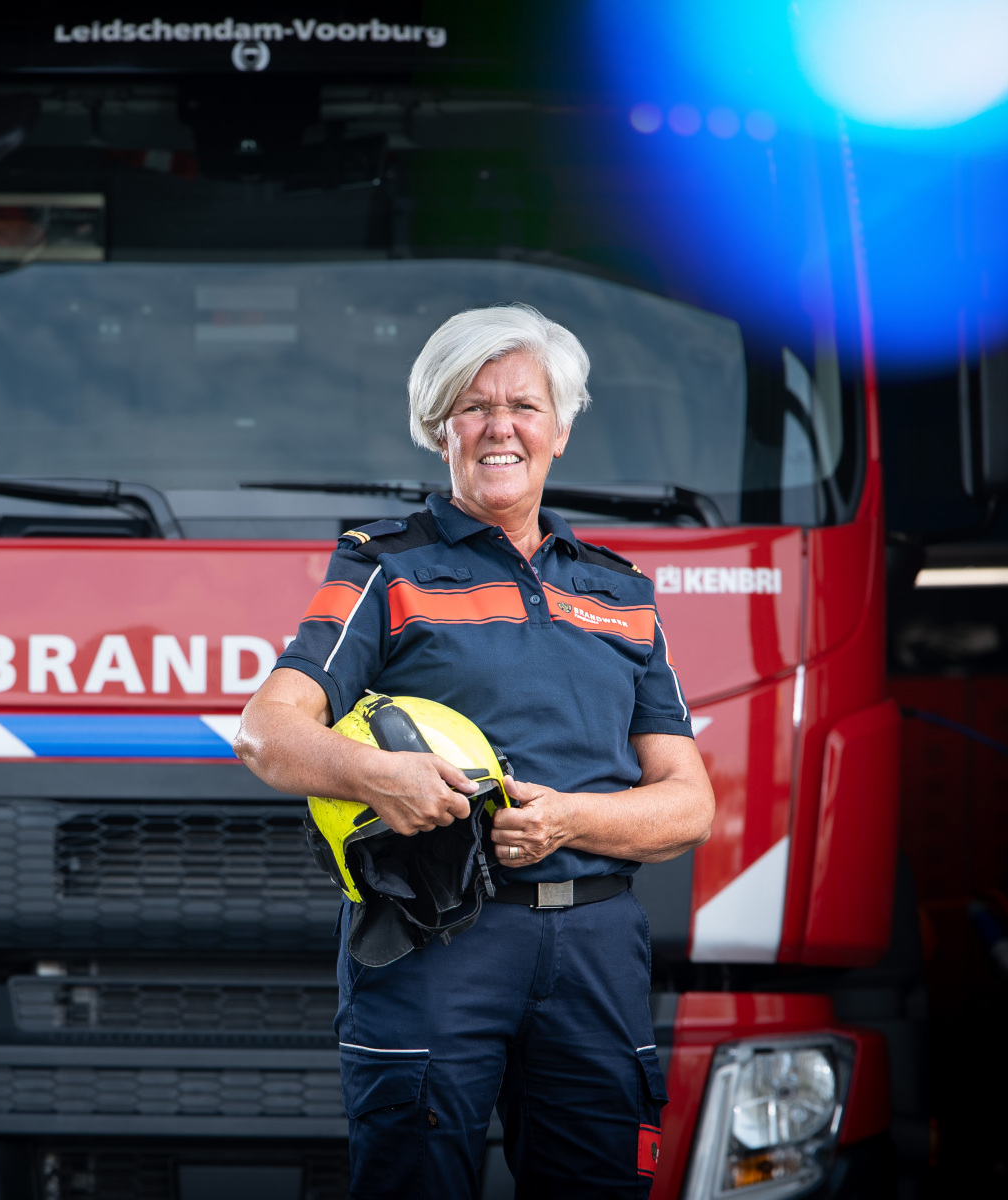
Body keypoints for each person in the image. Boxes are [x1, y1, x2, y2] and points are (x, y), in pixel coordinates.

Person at [234, 303, 715, 1198]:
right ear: (439, 428)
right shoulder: (383, 568)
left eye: (525, 406)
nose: (501, 427)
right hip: (436, 935)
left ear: (559, 431)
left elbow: (689, 803)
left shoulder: (623, 594)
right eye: (473, 406)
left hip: (598, 951)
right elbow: (267, 731)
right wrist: (380, 775)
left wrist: (568, 820)